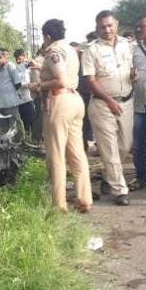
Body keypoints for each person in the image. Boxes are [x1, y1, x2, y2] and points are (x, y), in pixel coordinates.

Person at [29, 19, 92, 213]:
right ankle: (84, 199)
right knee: (77, 154)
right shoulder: (70, 49)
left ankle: (59, 205)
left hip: (59, 102)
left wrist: (37, 86)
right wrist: (42, 70)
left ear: (47, 36)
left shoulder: (53, 51)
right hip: (75, 101)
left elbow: (60, 80)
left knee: (56, 155)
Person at [82, 10, 134, 205]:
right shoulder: (91, 50)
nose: (107, 30)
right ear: (97, 28)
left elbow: (130, 71)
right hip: (103, 105)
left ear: (116, 24)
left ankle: (107, 176)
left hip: (126, 102)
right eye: (102, 26)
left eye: (110, 25)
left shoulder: (127, 45)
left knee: (125, 146)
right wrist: (108, 99)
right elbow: (90, 80)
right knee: (110, 149)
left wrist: (133, 77)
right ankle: (120, 190)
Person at [130, 14, 146, 191]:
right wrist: (131, 75)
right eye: (138, 26)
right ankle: (140, 178)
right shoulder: (134, 49)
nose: (139, 29)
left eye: (143, 26)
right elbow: (128, 72)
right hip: (140, 105)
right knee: (138, 146)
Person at [0, 49, 23, 139]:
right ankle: (7, 142)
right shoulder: (0, 69)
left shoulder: (10, 66)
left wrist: (14, 95)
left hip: (10, 103)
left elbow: (18, 83)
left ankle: (18, 141)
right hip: (1, 103)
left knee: (13, 124)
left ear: (1, 57)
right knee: (4, 125)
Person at [70, 42, 94, 150]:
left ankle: (85, 141)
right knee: (79, 121)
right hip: (76, 95)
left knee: (87, 121)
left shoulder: (87, 60)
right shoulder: (69, 63)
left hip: (88, 94)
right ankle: (82, 143)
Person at [14, 48, 35, 139]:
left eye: (20, 59)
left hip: (28, 98)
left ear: (24, 57)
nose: (18, 61)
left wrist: (21, 84)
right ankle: (27, 137)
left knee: (31, 119)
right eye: (17, 59)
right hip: (19, 99)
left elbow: (31, 82)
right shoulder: (16, 70)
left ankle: (34, 138)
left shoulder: (29, 68)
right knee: (23, 119)